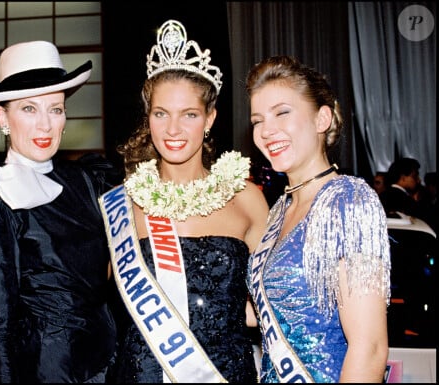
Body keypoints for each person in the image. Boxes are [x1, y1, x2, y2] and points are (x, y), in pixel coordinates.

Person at [0, 40, 119, 383]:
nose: (46, 126)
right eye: (29, 109)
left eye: (56, 109)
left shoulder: (89, 180)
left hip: (109, 363)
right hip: (45, 372)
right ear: (3, 116)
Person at [100, 19, 269, 383]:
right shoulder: (123, 204)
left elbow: (270, 307)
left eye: (189, 114)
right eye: (161, 113)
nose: (173, 129)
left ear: (210, 118)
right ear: (149, 118)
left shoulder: (247, 200)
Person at [244, 55, 391, 383]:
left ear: (322, 118)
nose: (267, 130)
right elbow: (274, 311)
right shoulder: (280, 209)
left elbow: (369, 347)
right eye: (257, 120)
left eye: (282, 112)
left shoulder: (349, 201)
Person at [379, 157, 432, 226]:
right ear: (403, 178)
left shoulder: (380, 196)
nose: (419, 180)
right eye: (415, 176)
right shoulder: (406, 201)